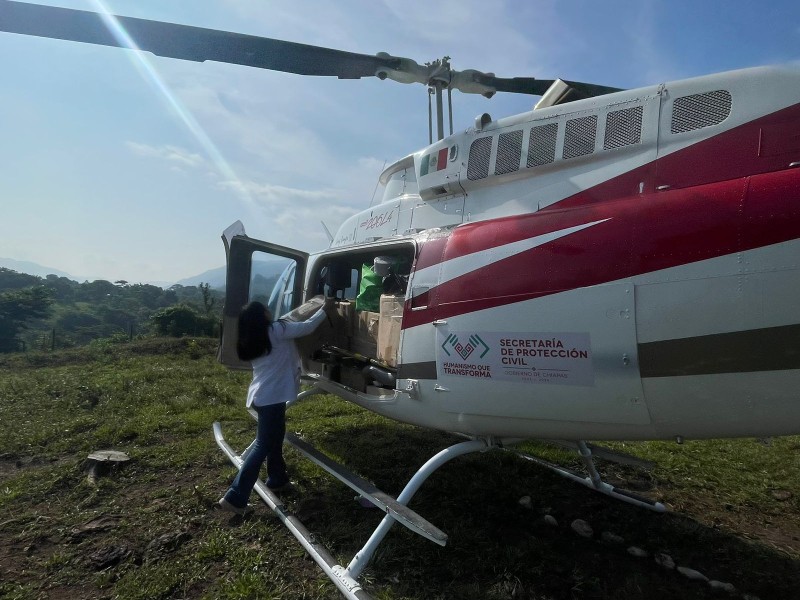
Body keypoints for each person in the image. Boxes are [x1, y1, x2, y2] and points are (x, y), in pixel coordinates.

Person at [219, 297, 334, 515]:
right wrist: (325, 310)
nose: (269, 312)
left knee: (275, 438)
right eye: (266, 310)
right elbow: (307, 327)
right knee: (263, 446)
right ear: (262, 316)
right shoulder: (276, 330)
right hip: (271, 399)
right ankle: (235, 497)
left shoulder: (254, 338)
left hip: (262, 397)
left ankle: (277, 478)